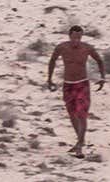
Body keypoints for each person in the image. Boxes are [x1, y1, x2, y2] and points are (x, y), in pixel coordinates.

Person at [41, 23, 99, 158]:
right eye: (74, 38)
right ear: (69, 36)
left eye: (79, 38)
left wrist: (102, 77)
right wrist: (49, 79)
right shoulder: (62, 47)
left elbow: (99, 60)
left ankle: (79, 145)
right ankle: (80, 140)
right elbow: (52, 61)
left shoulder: (87, 48)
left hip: (82, 84)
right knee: (72, 113)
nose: (76, 41)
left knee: (82, 113)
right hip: (68, 84)